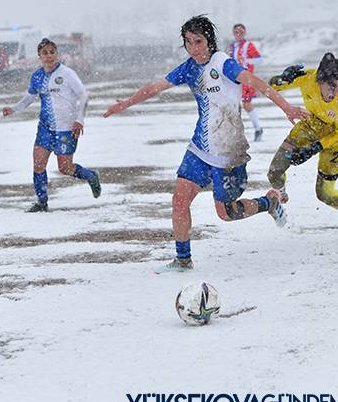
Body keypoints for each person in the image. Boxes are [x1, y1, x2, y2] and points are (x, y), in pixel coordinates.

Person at [103, 15, 309, 272]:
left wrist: (287, 107)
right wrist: (125, 103)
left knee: (227, 213)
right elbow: (155, 87)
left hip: (228, 152)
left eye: (198, 41)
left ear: (209, 41)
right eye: (188, 42)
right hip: (200, 149)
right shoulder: (189, 68)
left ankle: (269, 203)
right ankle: (182, 259)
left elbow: (254, 82)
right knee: (179, 201)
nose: (193, 48)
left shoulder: (222, 63)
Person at [266, 53, 338, 242]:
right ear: (320, 79)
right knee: (274, 171)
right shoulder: (308, 78)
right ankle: (280, 196)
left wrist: (315, 148)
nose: (336, 92)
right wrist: (281, 78)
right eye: (332, 85)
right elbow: (271, 86)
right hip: (313, 124)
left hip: (337, 139)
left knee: (324, 193)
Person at [3, 38, 101, 212]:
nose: (49, 56)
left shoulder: (67, 74)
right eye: (45, 53)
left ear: (57, 54)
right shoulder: (37, 76)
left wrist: (79, 120)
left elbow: (83, 96)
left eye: (52, 52)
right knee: (38, 164)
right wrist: (13, 109)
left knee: (65, 168)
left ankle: (91, 176)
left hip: (66, 128)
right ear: (39, 56)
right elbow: (29, 98)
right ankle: (42, 202)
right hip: (45, 128)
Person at [229, 23, 264, 141]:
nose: (238, 34)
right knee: (232, 105)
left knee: (247, 104)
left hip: (246, 79)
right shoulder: (232, 46)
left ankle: (258, 129)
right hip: (233, 80)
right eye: (236, 32)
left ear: (244, 33)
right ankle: (234, 131)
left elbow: (260, 60)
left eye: (240, 31)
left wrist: (246, 60)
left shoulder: (248, 45)